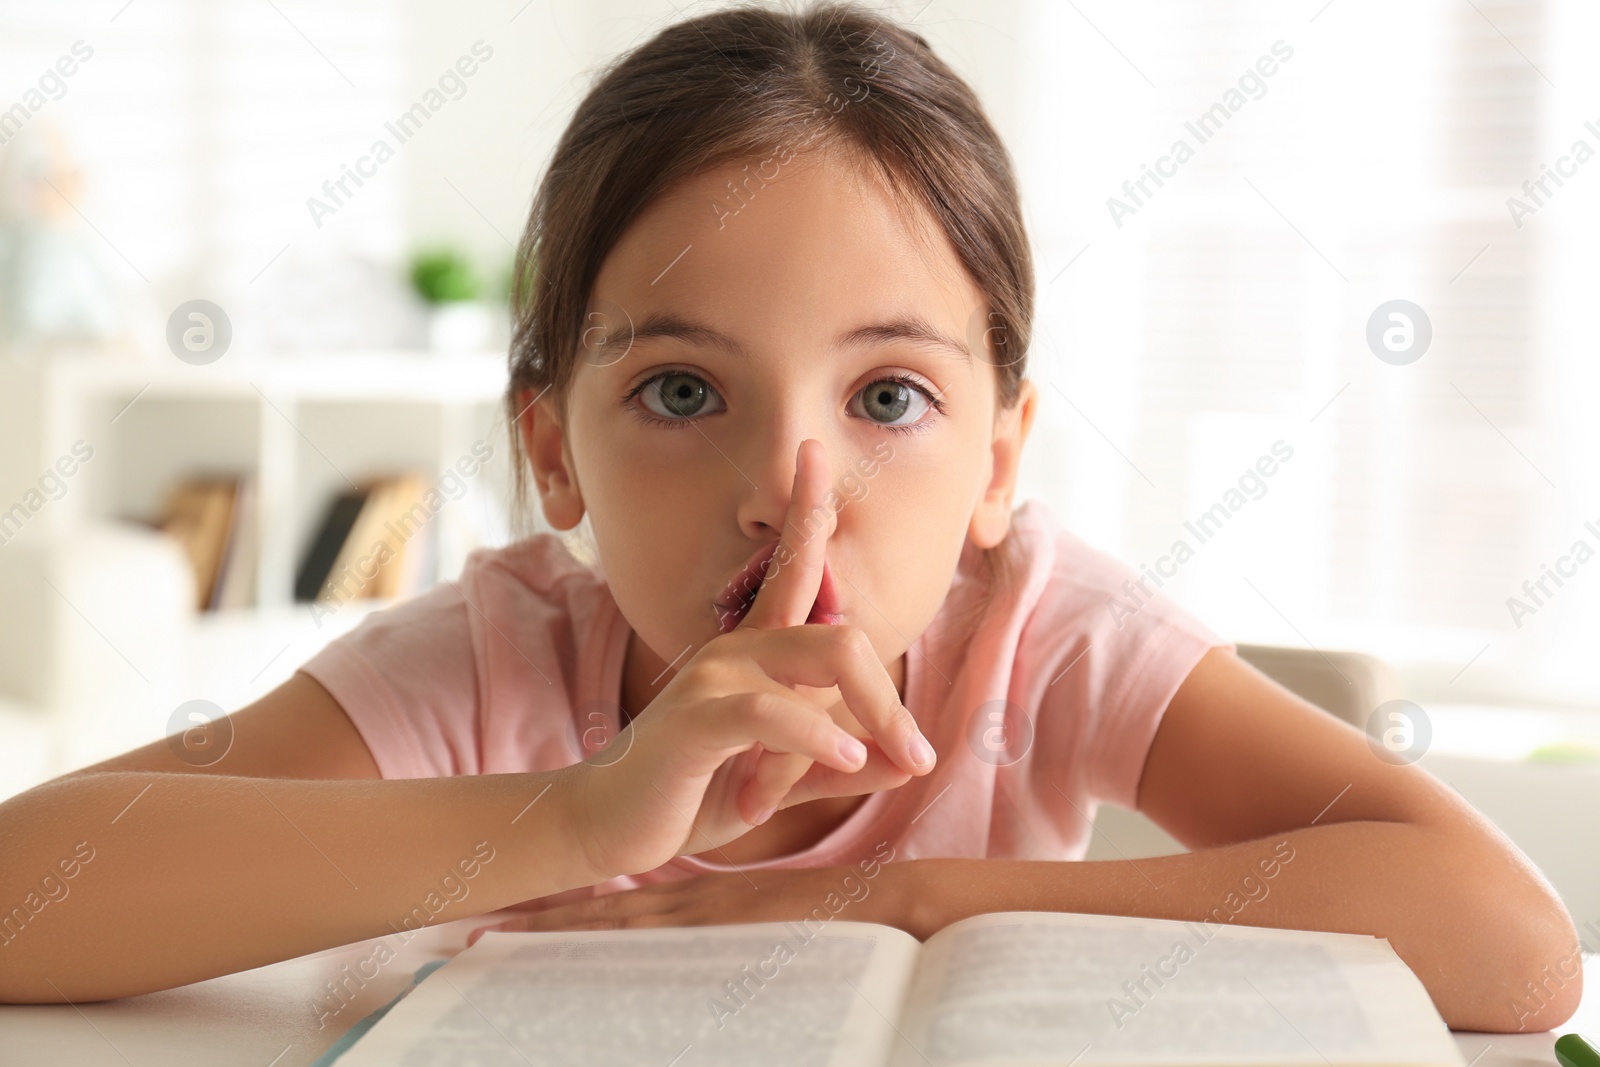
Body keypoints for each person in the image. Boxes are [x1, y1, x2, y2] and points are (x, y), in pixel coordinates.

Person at [0, 3, 1580, 1032]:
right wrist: (578, 817)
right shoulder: (491, 663)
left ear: (1000, 459)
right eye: (684, 393)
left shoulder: (1049, 641)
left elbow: (1512, 946)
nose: (789, 488)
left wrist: (905, 894)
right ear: (553, 457)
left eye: (888, 399)